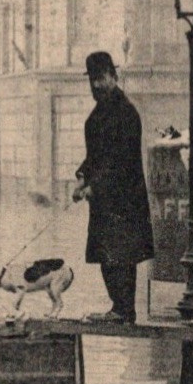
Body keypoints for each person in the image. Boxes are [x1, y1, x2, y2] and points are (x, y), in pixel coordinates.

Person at [73, 51, 155, 324]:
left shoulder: (125, 112)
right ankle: (118, 308)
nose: (96, 85)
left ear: (114, 76)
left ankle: (123, 309)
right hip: (106, 198)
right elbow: (95, 156)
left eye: (101, 78)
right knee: (107, 255)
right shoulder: (100, 113)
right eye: (93, 80)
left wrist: (94, 187)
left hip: (123, 198)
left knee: (121, 255)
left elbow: (120, 160)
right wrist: (82, 177)